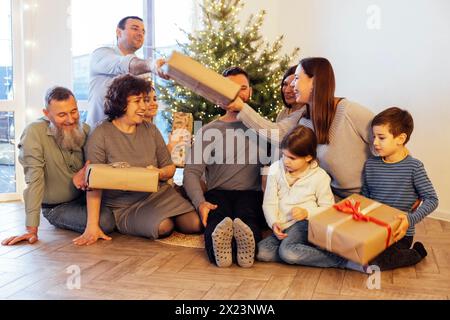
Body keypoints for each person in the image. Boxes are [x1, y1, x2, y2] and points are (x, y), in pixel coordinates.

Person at [74, 74, 201, 246]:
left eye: (145, 100)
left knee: (194, 225)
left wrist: (159, 172)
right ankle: (162, 217)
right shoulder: (101, 134)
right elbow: (93, 184)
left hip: (157, 194)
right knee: (164, 227)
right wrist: (92, 226)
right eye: (138, 101)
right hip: (124, 206)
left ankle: (174, 208)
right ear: (120, 102)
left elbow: (170, 168)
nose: (144, 106)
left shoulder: (151, 130)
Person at [225, 57, 375, 199]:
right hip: (331, 196)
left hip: (365, 197)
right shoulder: (303, 116)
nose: (291, 85)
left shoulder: (350, 112)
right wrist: (242, 108)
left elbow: (391, 143)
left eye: (296, 78)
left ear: (314, 82)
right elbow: (275, 133)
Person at [1, 87, 115, 246]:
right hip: (58, 207)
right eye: (62, 115)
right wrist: (31, 230)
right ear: (47, 114)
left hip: (87, 198)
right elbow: (34, 181)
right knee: (106, 220)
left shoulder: (86, 130)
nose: (70, 119)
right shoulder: (34, 133)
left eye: (74, 111)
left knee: (119, 207)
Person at [183, 67, 270, 268]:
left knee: (246, 216)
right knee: (217, 218)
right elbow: (191, 172)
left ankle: (246, 249)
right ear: (218, 93)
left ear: (249, 92)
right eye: (229, 88)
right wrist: (200, 203)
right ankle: (218, 253)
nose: (237, 93)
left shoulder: (263, 128)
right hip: (218, 193)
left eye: (242, 88)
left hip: (251, 193)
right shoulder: (208, 131)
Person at [256, 125, 366, 272]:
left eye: (292, 158)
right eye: (284, 155)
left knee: (288, 252)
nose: (286, 161)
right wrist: (274, 222)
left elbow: (328, 209)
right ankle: (302, 250)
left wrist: (307, 212)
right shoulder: (276, 169)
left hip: (305, 224)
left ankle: (342, 260)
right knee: (261, 252)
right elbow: (269, 201)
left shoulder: (320, 177)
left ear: (308, 157)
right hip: (283, 225)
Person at [363, 107, 439, 270]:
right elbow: (365, 197)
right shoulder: (370, 165)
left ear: (400, 138)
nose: (375, 142)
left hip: (400, 234)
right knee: (353, 252)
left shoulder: (414, 167)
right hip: (374, 230)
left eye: (381, 137)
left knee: (376, 262)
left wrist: (409, 219)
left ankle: (416, 253)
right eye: (374, 136)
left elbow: (432, 200)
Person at [87, 16, 167, 128]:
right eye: (135, 28)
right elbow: (122, 64)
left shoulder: (143, 71)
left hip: (130, 138)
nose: (140, 34)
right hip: (99, 135)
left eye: (143, 31)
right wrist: (151, 65)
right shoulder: (101, 54)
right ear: (119, 32)